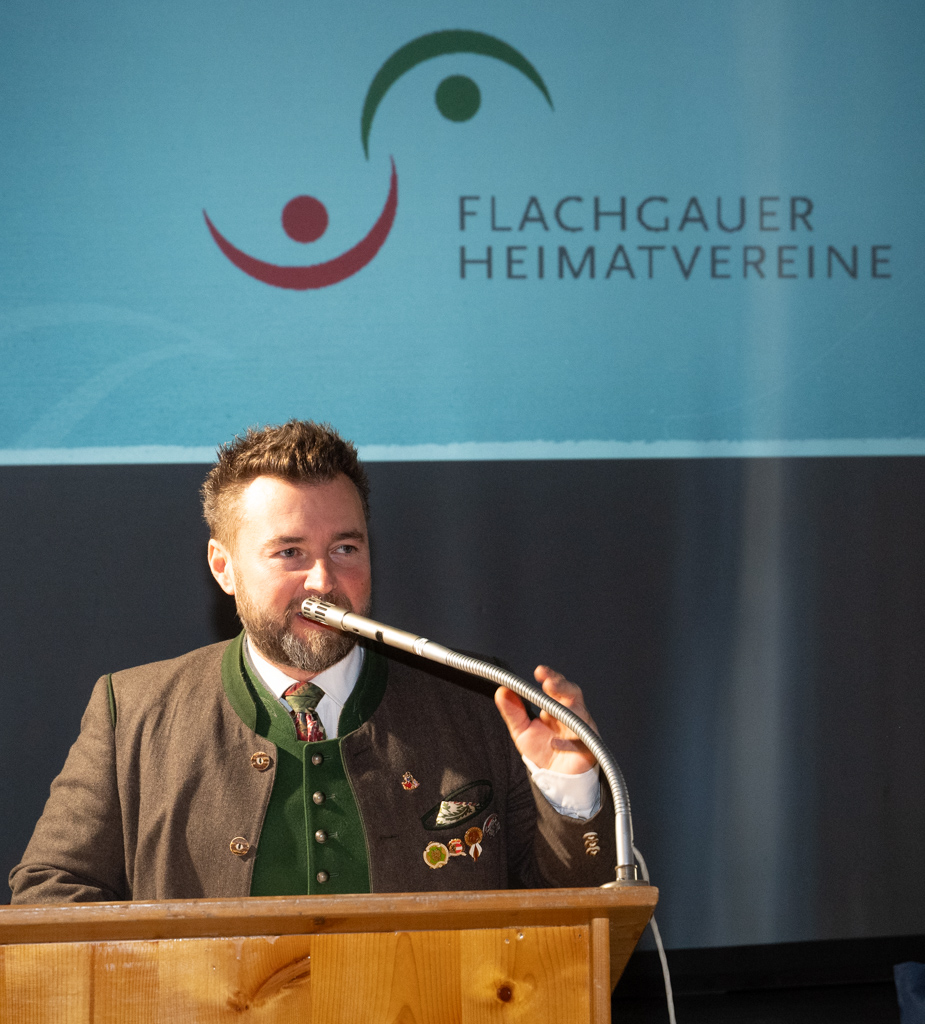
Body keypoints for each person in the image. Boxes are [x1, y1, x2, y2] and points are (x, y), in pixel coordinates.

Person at [9, 421, 616, 903]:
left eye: (345, 548)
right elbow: (50, 892)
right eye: (290, 552)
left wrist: (569, 787)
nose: (324, 580)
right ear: (224, 567)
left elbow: (569, 921)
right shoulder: (131, 712)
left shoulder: (479, 697)